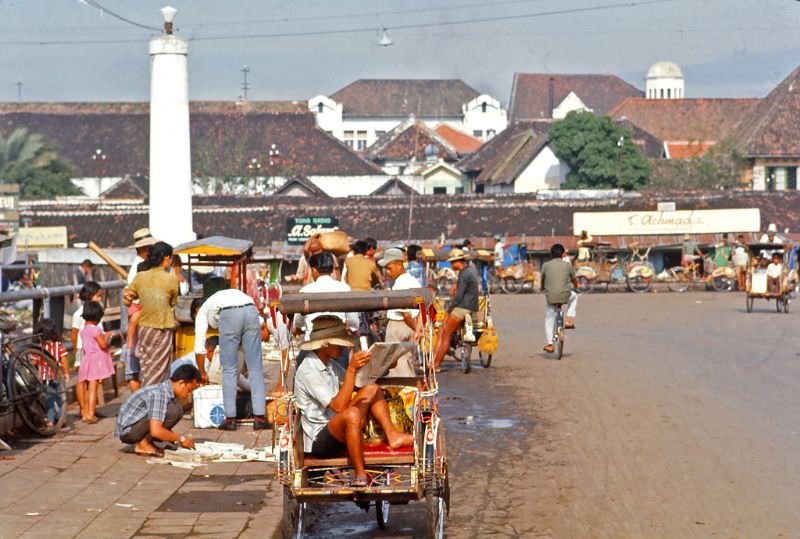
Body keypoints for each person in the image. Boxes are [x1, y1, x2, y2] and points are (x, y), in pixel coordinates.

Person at [294, 317, 414, 487]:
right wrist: (351, 368)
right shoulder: (308, 369)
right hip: (319, 439)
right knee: (352, 413)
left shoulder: (331, 365)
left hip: (337, 423)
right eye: (339, 343)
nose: (343, 348)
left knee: (371, 389)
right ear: (326, 345)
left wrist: (385, 364)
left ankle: (392, 435)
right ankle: (359, 473)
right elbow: (339, 407)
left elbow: (358, 384)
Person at [193, 287, 268, 431]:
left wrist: (202, 372)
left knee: (229, 369)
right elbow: (260, 321)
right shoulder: (223, 296)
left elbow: (199, 346)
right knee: (256, 368)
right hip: (251, 309)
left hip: (230, 313)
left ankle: (230, 419)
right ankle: (259, 418)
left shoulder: (202, 312)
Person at [115, 364, 201, 458]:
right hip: (128, 432)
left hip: (136, 426)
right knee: (173, 410)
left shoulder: (166, 391)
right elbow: (156, 431)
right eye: (189, 390)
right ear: (181, 383)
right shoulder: (159, 394)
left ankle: (147, 441)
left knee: (176, 409)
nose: (189, 394)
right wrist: (181, 438)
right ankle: (143, 444)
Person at [125, 242, 179, 387]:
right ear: (167, 258)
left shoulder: (140, 277)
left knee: (148, 365)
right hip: (162, 328)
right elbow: (173, 302)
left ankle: (149, 396)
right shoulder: (171, 279)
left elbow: (127, 298)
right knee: (160, 369)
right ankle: (153, 399)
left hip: (144, 329)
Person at [433, 249, 480, 370]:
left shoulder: (464, 274)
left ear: (456, 262)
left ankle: (436, 364)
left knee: (444, 333)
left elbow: (458, 297)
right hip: (472, 306)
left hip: (463, 307)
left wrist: (448, 311)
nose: (450, 265)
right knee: (444, 332)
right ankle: (434, 361)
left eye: (451, 263)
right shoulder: (471, 271)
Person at [124, 228, 157, 393]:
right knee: (140, 359)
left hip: (141, 312)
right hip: (141, 312)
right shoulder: (140, 267)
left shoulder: (140, 265)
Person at [379, 248, 421, 375]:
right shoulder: (414, 282)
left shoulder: (399, 285)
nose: (387, 272)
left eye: (389, 268)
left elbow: (406, 314)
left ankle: (403, 391)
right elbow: (421, 309)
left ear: (399, 264)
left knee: (396, 365)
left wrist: (415, 328)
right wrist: (417, 330)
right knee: (406, 361)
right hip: (410, 327)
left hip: (399, 326)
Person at [78, 301, 115, 423]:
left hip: (87, 359)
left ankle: (85, 413)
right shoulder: (96, 330)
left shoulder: (83, 330)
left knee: (89, 387)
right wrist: (107, 336)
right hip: (96, 361)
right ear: (97, 317)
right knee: (93, 388)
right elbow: (103, 345)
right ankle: (91, 414)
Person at [540, 244, 579, 354]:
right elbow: (574, 280)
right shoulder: (567, 265)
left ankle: (550, 344)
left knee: (549, 318)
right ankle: (568, 320)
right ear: (563, 254)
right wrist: (577, 286)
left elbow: (542, 280)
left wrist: (542, 287)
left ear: (551, 254)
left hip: (551, 296)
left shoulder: (545, 265)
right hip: (565, 294)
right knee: (575, 296)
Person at [71, 281, 103, 410]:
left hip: (89, 350)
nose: (100, 299)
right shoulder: (80, 314)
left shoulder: (93, 311)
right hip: (86, 350)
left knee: (87, 380)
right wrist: (76, 350)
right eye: (98, 296)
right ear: (90, 296)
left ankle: (88, 409)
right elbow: (74, 333)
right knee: (86, 380)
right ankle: (85, 409)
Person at [35, 318, 69, 428]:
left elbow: (34, 361)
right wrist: (66, 373)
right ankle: (62, 418)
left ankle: (50, 421)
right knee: (59, 398)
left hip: (45, 377)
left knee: (49, 399)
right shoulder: (58, 345)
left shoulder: (39, 347)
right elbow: (64, 360)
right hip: (58, 376)